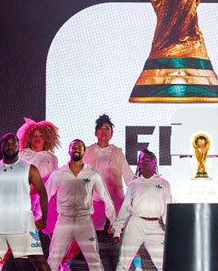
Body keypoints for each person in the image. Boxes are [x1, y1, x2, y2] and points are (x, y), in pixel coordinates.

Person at [0, 133, 50, 271]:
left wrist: (44, 219)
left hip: (23, 222)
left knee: (39, 260)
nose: (10, 146)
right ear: (2, 146)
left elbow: (43, 193)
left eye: (14, 143)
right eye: (7, 143)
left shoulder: (29, 168)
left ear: (18, 146)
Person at [0, 119, 61, 270]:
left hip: (45, 202)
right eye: (34, 136)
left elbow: (53, 182)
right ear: (28, 137)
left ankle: (61, 264)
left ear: (46, 138)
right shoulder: (22, 155)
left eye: (40, 136)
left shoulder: (52, 158)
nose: (37, 139)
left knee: (53, 236)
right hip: (23, 200)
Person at [45, 139, 116, 271]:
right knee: (54, 258)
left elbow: (106, 198)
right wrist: (37, 216)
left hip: (84, 221)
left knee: (94, 260)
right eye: (73, 147)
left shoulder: (92, 174)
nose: (76, 149)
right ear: (69, 151)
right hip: (64, 221)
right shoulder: (58, 174)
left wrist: (112, 220)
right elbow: (45, 195)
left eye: (79, 147)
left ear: (84, 152)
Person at [83, 114, 135, 269]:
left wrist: (138, 192)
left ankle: (129, 266)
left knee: (121, 234)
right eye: (101, 128)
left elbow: (129, 176)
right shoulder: (87, 151)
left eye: (107, 128)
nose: (104, 131)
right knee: (86, 234)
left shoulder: (117, 152)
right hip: (94, 199)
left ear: (111, 133)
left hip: (115, 198)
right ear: (95, 132)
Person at [112, 149, 172, 271]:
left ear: (154, 162)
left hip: (155, 226)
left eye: (149, 158)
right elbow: (125, 208)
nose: (146, 161)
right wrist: (117, 230)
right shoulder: (133, 184)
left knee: (164, 263)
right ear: (139, 164)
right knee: (123, 263)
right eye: (143, 159)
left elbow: (168, 208)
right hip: (135, 224)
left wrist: (170, 230)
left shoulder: (164, 183)